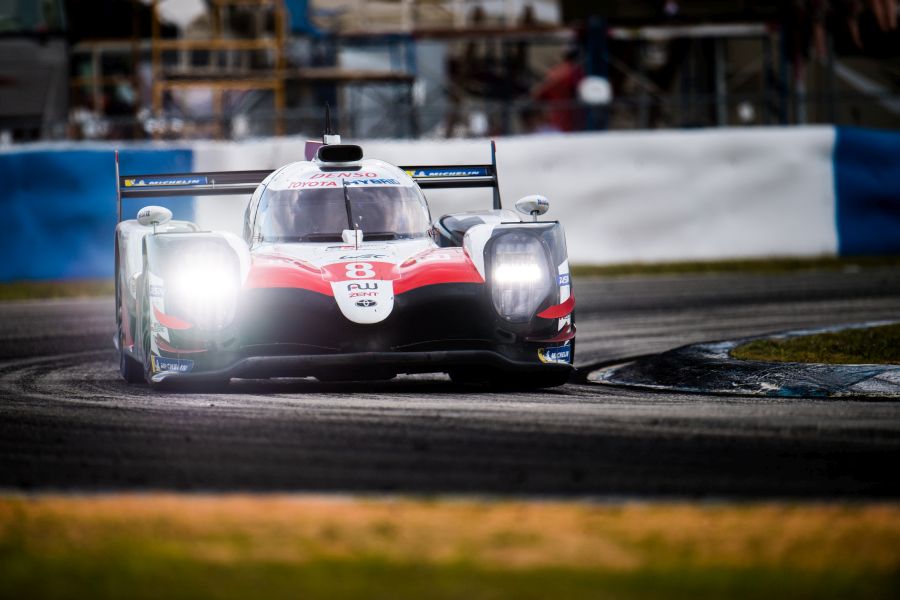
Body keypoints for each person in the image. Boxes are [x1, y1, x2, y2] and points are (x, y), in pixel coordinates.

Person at [532, 47, 585, 132]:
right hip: (571, 119)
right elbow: (582, 91)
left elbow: (538, 95)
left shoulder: (555, 71)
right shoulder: (575, 71)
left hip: (556, 120)